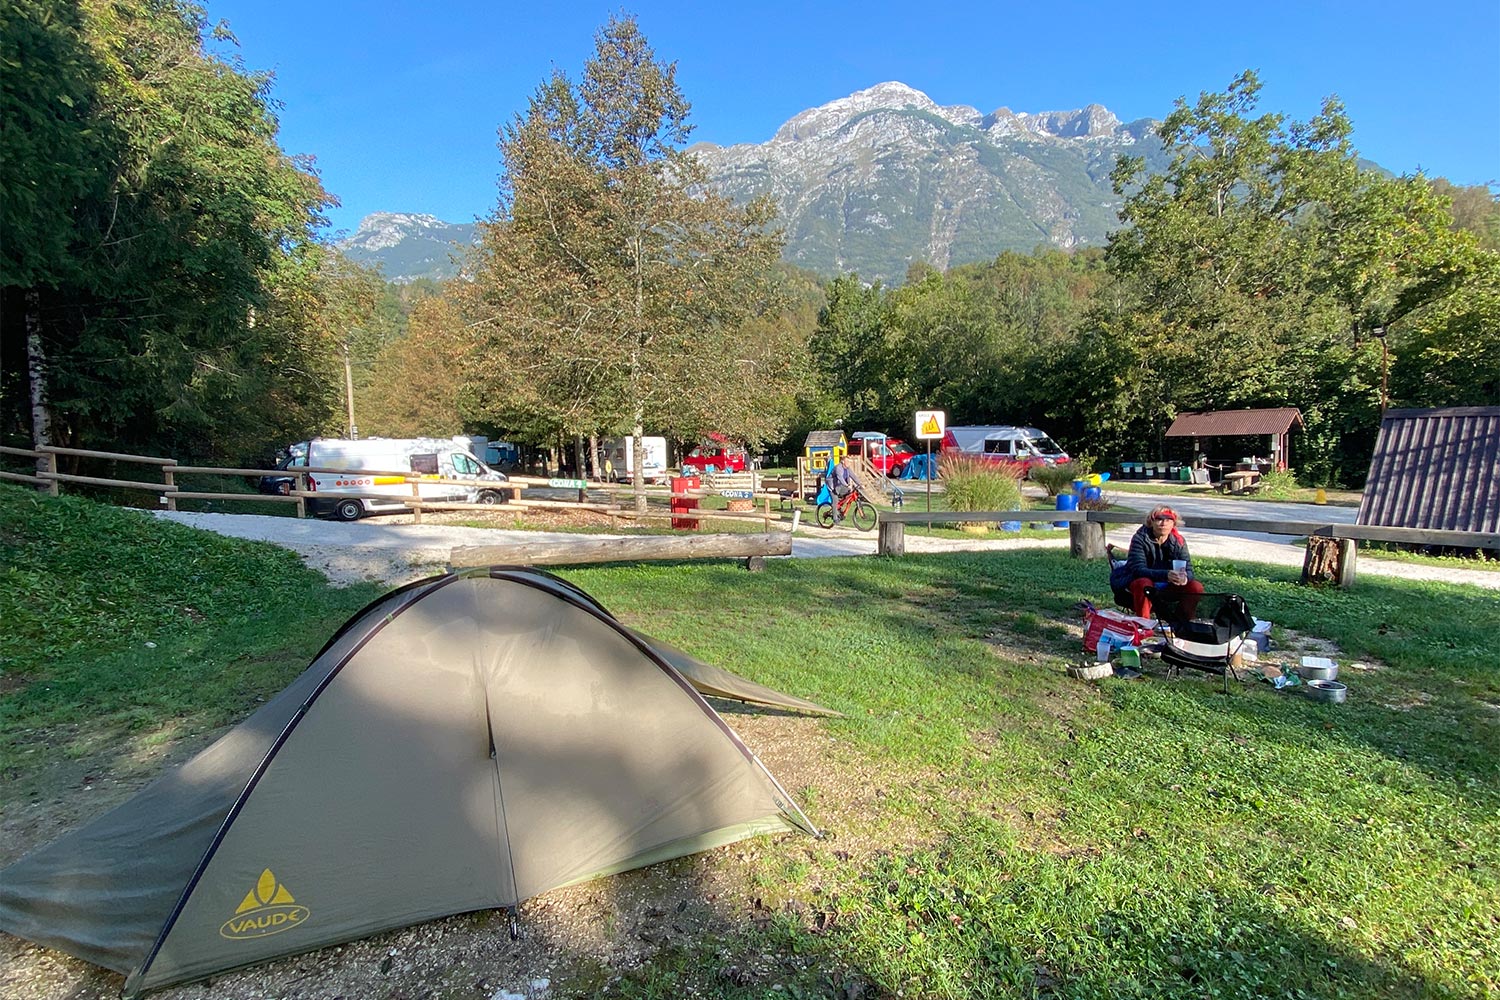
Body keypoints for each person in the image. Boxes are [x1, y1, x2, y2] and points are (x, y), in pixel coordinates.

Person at [1112, 505, 1204, 618]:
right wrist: (1166, 574)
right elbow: (1138, 570)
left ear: (1174, 523)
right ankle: (1143, 623)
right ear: (1151, 522)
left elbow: (1188, 570)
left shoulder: (1179, 541)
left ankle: (1182, 622)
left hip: (1168, 586)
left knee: (1195, 587)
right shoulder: (1140, 538)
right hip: (1139, 583)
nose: (1163, 523)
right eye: (1159, 519)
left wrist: (1185, 578)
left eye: (1168, 520)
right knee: (1144, 583)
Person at [825, 454, 863, 524]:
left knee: (850, 492)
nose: (849, 463)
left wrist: (860, 484)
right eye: (847, 461)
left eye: (850, 462)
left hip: (840, 486)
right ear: (843, 461)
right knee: (835, 501)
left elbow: (854, 476)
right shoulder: (838, 468)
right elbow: (840, 478)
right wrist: (847, 485)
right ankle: (835, 518)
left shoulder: (847, 469)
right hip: (832, 486)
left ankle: (840, 507)